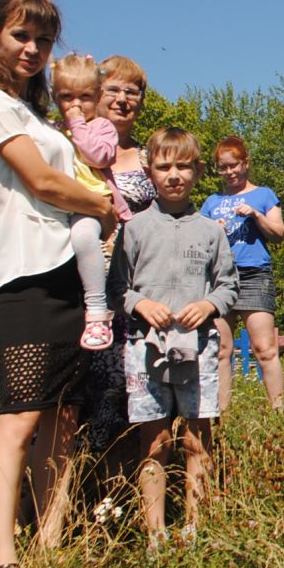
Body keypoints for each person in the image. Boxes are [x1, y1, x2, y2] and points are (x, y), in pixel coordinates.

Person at [0, 0, 116, 568]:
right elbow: (42, 179)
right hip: (20, 277)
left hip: (64, 275)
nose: (32, 49)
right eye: (21, 35)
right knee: (19, 416)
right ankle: (0, 563)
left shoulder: (36, 114)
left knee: (60, 418)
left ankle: (50, 546)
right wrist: (102, 207)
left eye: (43, 40)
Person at [110, 129, 238, 551]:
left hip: (197, 348)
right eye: (164, 167)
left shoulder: (211, 230)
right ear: (150, 173)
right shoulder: (134, 229)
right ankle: (155, 534)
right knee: (157, 441)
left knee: (197, 437)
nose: (174, 175)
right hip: (146, 349)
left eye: (183, 166)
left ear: (198, 171)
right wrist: (141, 305)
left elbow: (228, 286)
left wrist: (209, 306)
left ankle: (195, 530)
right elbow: (117, 289)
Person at [77, 55, 158, 456]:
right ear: (95, 93)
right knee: (85, 385)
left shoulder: (149, 158)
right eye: (114, 89)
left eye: (133, 91)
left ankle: (130, 476)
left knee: (135, 383)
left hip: (139, 287)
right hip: (83, 288)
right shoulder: (71, 148)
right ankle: (82, 478)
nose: (124, 98)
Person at [200, 137, 284, 411]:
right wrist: (214, 228)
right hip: (218, 279)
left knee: (265, 349)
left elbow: (279, 234)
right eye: (223, 168)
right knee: (221, 351)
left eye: (234, 165)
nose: (229, 172)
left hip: (254, 275)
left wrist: (255, 216)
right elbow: (200, 242)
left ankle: (278, 412)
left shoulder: (264, 195)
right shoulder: (211, 202)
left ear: (245, 163)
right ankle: (221, 414)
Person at [49, 53, 127, 352]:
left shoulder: (102, 127)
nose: (76, 105)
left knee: (83, 239)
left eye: (85, 97)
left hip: (93, 203)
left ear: (97, 96)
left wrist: (78, 126)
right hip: (59, 205)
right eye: (67, 97)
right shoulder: (53, 129)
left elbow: (99, 156)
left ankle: (96, 311)